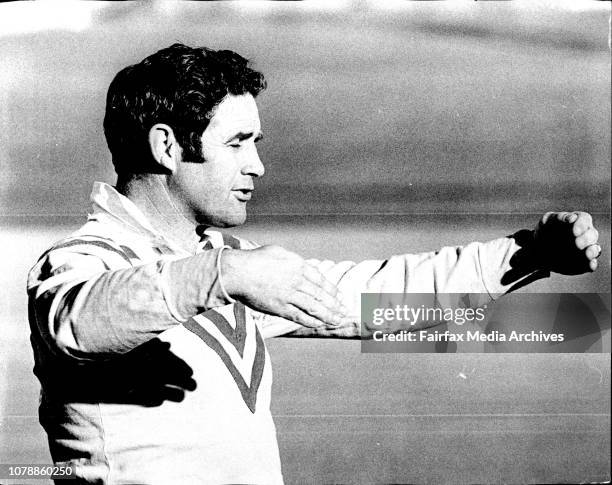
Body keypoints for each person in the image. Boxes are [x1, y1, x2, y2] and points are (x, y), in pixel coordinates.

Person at [27, 43, 601, 484]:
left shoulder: (226, 263)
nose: (258, 166)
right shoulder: (81, 260)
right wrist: (224, 276)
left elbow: (370, 296)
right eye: (238, 143)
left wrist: (528, 254)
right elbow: (77, 322)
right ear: (167, 147)